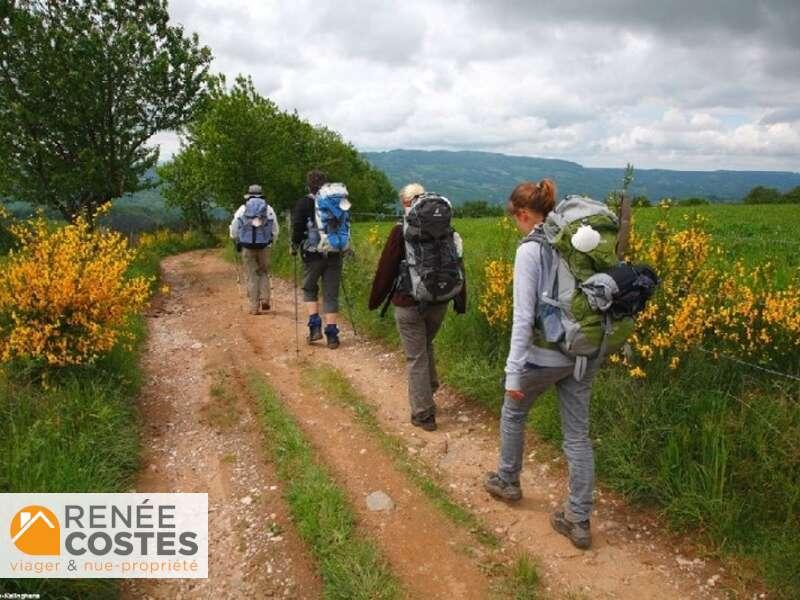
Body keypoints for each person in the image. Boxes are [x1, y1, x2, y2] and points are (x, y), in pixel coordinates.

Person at [483, 179, 601, 550]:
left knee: (513, 413)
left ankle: (508, 481)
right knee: (577, 436)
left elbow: (523, 318)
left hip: (543, 355)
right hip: (583, 352)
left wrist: (512, 372)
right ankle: (578, 519)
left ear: (522, 214)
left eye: (514, 219)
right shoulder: (578, 241)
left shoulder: (530, 249)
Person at [368, 183, 466, 431]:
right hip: (440, 300)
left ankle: (423, 413)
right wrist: (460, 300)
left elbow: (386, 269)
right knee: (425, 345)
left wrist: (375, 300)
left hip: (407, 303)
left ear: (406, 203)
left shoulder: (400, 231)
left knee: (416, 356)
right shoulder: (447, 232)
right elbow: (458, 265)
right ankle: (429, 389)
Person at [291, 169, 343, 349]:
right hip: (335, 252)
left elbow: (297, 228)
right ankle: (332, 336)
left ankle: (314, 329)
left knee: (309, 288)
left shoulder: (303, 203)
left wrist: (295, 244)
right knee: (331, 294)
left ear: (309, 185)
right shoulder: (336, 201)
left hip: (312, 254)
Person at [230, 184, 279, 315]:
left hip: (247, 246)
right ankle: (265, 299)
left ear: (249, 194)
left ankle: (254, 307)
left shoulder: (242, 209)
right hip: (264, 246)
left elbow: (234, 229)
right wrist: (271, 242)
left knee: (252, 275)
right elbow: (275, 229)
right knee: (263, 272)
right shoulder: (268, 209)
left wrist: (235, 239)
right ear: (261, 194)